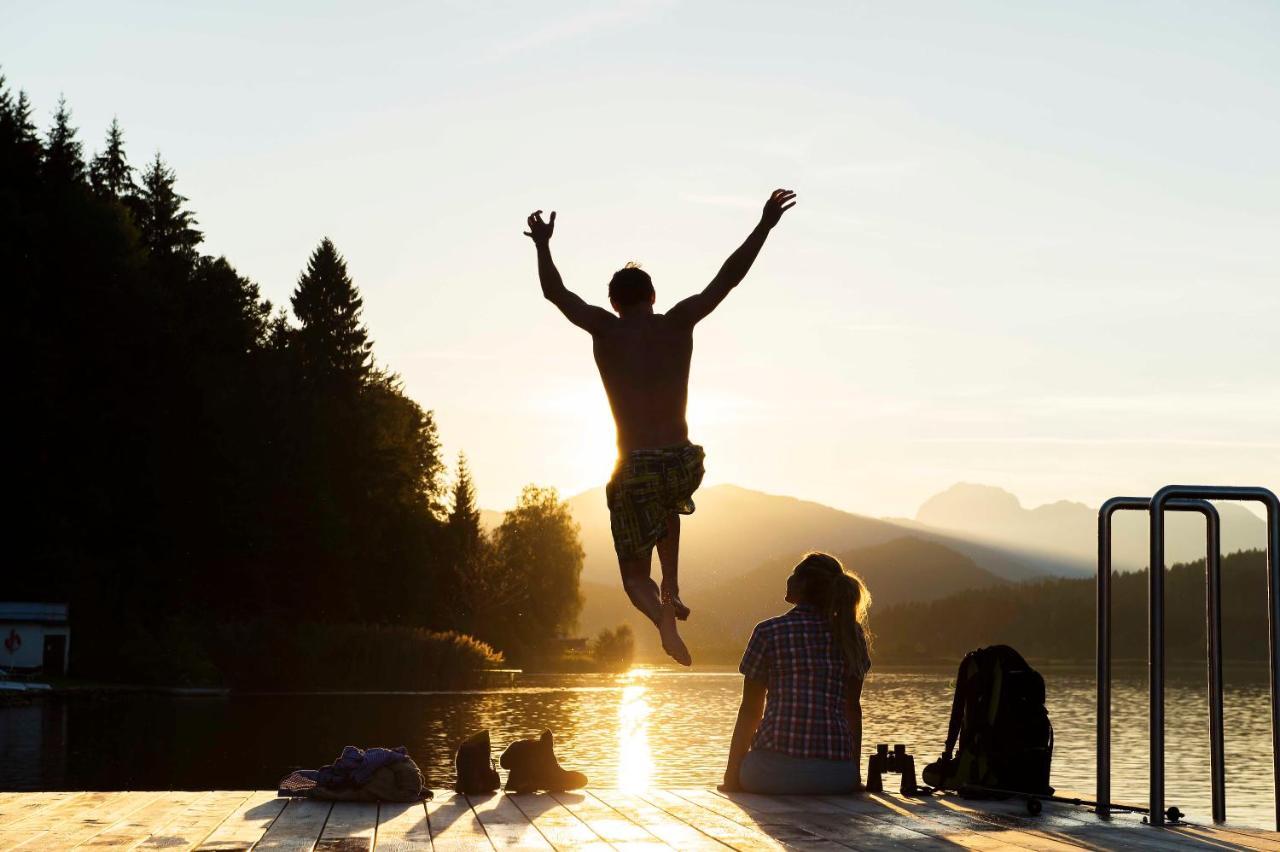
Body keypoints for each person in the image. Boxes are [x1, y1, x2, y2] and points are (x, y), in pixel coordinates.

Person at [524, 189, 798, 666]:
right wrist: (764, 225)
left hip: (633, 464)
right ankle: (672, 586)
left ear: (612, 302)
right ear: (653, 297)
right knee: (669, 501)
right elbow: (726, 279)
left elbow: (555, 294)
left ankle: (661, 613)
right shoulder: (678, 322)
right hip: (681, 459)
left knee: (633, 577)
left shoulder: (604, 330)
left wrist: (543, 245)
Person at [721, 552, 872, 795]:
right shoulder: (850, 634)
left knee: (753, 762)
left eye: (793, 574)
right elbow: (852, 708)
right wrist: (853, 774)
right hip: (837, 777)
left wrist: (732, 776)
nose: (788, 580)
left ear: (802, 584)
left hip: (771, 775)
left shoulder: (769, 631)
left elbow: (751, 709)